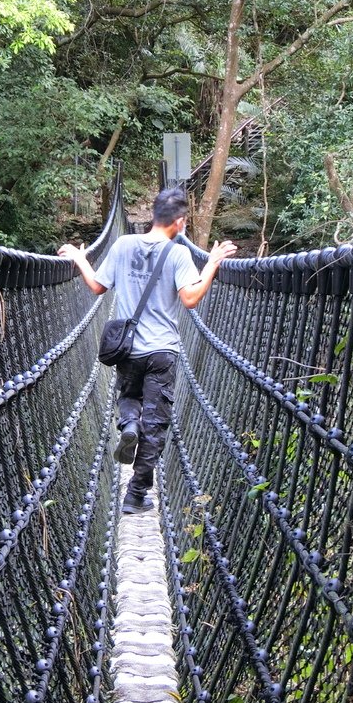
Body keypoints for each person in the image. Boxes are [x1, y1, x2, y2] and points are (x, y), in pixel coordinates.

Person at [58, 188, 237, 514]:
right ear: (180, 222)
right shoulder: (179, 254)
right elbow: (190, 299)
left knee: (129, 396)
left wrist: (81, 259)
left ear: (155, 214)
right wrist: (212, 263)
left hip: (127, 349)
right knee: (155, 424)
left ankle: (128, 423)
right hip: (162, 351)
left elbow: (98, 287)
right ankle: (136, 494)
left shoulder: (123, 244)